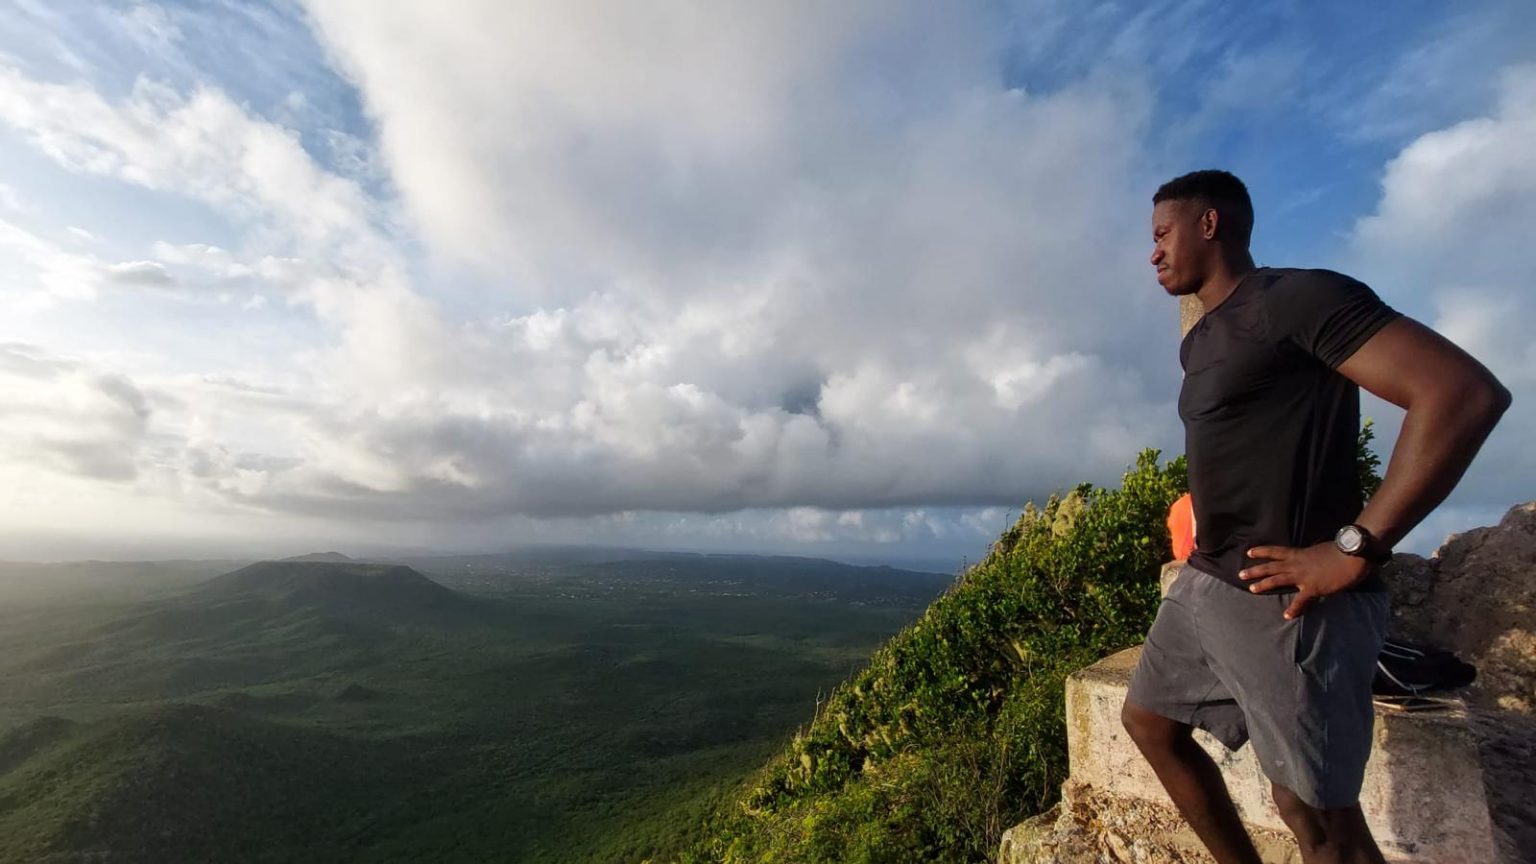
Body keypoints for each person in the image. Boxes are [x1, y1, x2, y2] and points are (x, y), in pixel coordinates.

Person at [1121, 169, 1510, 864]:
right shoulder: (1201, 339)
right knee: (1149, 722)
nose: (1151, 252)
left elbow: (1460, 394)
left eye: (1161, 234)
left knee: (1317, 819)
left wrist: (1356, 545)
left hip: (1289, 607)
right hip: (1209, 583)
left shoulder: (1295, 299)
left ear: (1209, 224)